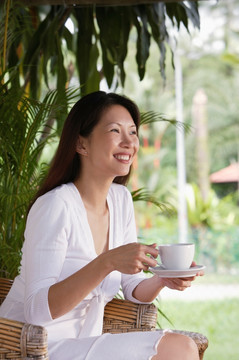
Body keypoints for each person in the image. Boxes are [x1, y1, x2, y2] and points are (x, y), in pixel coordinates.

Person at [0, 91, 203, 360]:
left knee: (181, 346)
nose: (129, 142)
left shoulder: (120, 200)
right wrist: (106, 262)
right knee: (179, 347)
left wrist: (162, 279)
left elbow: (132, 288)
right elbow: (36, 310)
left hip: (87, 339)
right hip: (32, 345)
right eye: (115, 131)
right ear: (81, 144)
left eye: (133, 132)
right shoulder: (55, 206)